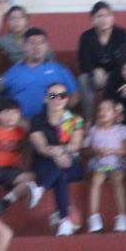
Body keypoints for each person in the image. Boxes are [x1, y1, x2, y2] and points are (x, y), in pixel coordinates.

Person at [29, 83, 85, 236]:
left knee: (64, 168)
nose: (58, 99)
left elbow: (75, 145)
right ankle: (65, 221)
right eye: (53, 95)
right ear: (45, 99)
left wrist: (60, 151)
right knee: (61, 175)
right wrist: (55, 154)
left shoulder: (74, 119)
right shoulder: (37, 120)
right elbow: (40, 145)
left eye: (62, 95)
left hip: (71, 162)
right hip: (44, 162)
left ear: (67, 99)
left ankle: (40, 189)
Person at [0, 29, 78, 118]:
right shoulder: (12, 72)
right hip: (20, 123)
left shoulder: (59, 69)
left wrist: (61, 113)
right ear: (24, 46)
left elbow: (74, 95)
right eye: (32, 43)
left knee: (76, 126)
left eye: (41, 43)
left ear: (47, 46)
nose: (37, 47)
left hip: (53, 122)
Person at [76, 2, 126, 114]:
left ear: (113, 17)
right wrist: (95, 70)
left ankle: (121, 116)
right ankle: (88, 119)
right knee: (82, 79)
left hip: (118, 74)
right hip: (95, 77)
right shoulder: (86, 37)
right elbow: (83, 62)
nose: (104, 19)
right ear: (93, 19)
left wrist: (111, 74)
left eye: (107, 15)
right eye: (99, 16)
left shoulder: (122, 35)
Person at [85, 98, 126, 234]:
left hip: (116, 163)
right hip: (99, 164)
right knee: (96, 180)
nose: (103, 112)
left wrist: (112, 150)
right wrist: (97, 151)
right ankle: (94, 218)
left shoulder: (120, 130)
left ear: (114, 114)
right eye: (100, 109)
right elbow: (87, 150)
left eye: (107, 109)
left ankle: (122, 217)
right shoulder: (94, 130)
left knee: (117, 178)